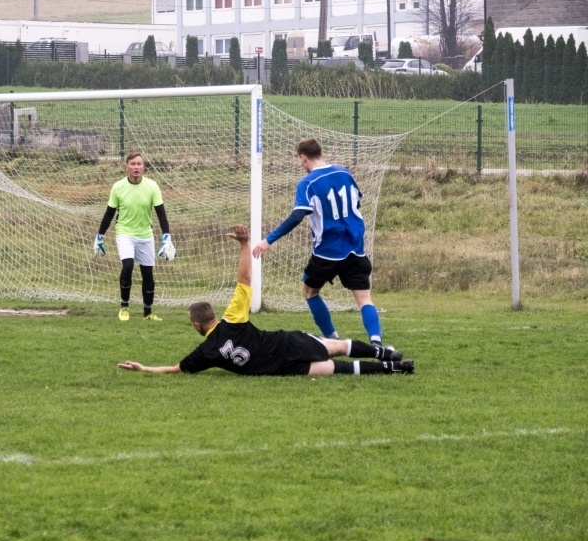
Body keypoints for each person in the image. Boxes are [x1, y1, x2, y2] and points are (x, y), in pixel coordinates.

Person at [117, 225, 413, 377]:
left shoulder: (206, 352)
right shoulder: (232, 319)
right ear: (213, 315)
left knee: (336, 370)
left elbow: (175, 369)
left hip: (281, 367)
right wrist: (245, 245)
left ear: (196, 325)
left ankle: (396, 368)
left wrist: (144, 368)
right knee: (338, 347)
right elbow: (244, 280)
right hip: (288, 343)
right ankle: (384, 353)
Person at [252, 137, 386, 347]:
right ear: (320, 153)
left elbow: (297, 216)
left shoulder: (308, 183)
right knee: (364, 298)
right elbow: (356, 205)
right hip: (356, 247)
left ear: (303, 158)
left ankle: (332, 340)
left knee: (309, 292)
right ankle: (376, 343)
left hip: (327, 250)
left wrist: (268, 240)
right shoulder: (344, 173)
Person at [94, 152, 176, 322]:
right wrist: (100, 236)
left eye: (139, 164)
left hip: (145, 235)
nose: (136, 167)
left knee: (148, 274)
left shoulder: (152, 186)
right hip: (124, 233)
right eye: (133, 164)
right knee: (128, 266)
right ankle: (124, 307)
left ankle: (148, 313)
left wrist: (166, 235)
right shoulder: (118, 187)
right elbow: (109, 213)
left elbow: (161, 213)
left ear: (143, 167)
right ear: (127, 167)